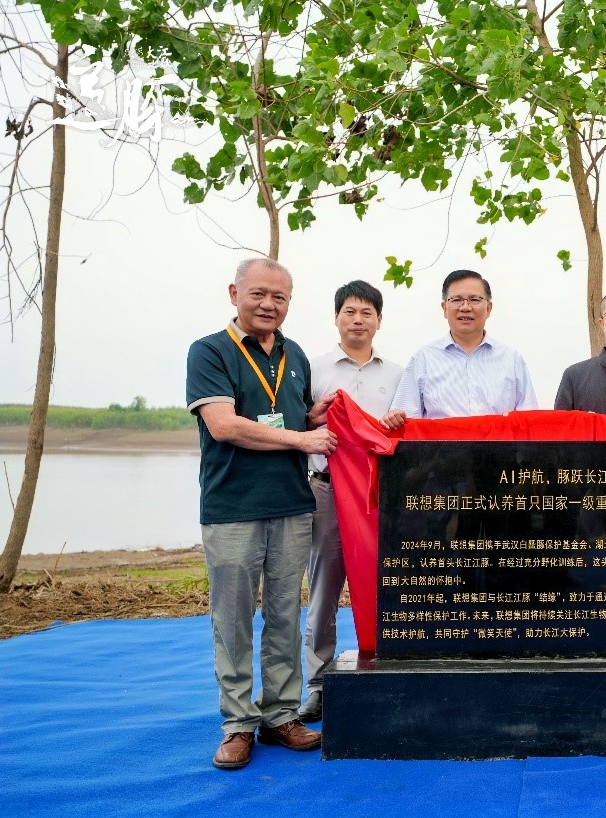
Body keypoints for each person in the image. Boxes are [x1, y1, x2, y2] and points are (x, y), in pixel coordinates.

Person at [185, 258, 336, 770]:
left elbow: (289, 417)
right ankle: (237, 724)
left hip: (292, 504)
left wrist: (313, 418)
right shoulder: (209, 351)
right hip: (233, 507)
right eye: (259, 294)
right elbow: (225, 426)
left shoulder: (296, 355)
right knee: (232, 618)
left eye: (280, 297)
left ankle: (280, 715)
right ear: (235, 293)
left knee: (285, 615)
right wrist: (302, 438)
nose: (269, 305)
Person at [297, 281, 406, 724]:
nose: (358, 320)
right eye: (349, 311)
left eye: (366, 313)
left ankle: (388, 669)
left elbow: (408, 428)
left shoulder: (398, 374)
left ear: (379, 320)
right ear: (336, 317)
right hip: (326, 489)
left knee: (387, 584)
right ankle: (318, 684)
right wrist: (312, 419)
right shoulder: (311, 369)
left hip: (382, 496)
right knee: (324, 587)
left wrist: (396, 423)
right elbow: (298, 425)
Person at [389, 269, 537, 417]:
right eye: (456, 300)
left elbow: (530, 419)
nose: (465, 307)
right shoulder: (423, 360)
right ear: (444, 308)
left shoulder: (512, 359)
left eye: (474, 299)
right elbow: (406, 419)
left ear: (488, 308)